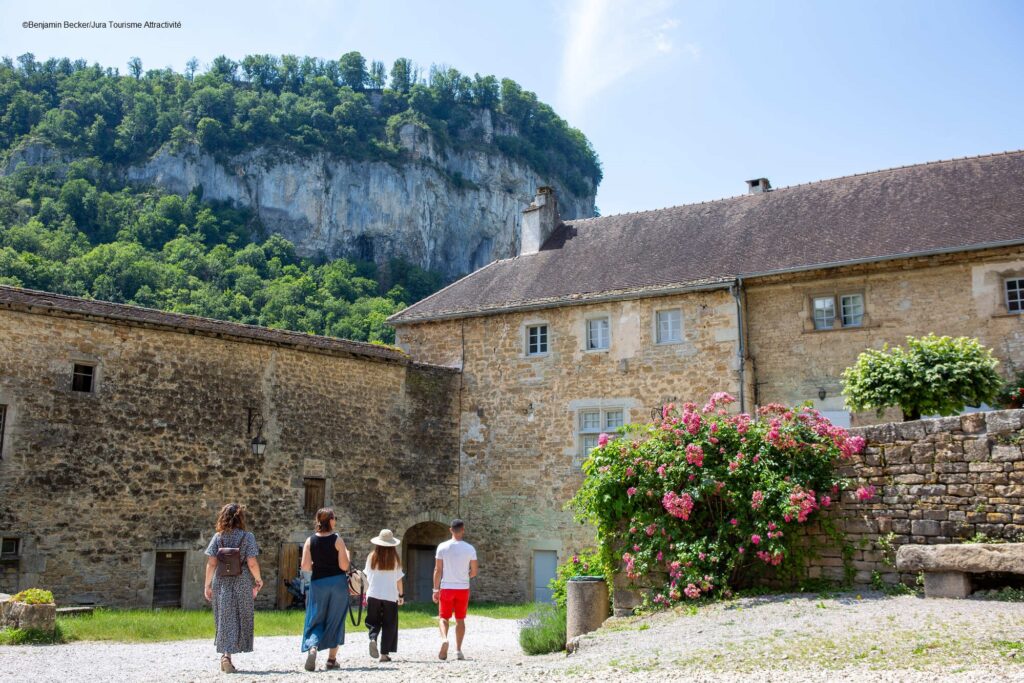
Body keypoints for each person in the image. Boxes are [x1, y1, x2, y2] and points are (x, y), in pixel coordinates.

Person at [204, 503, 263, 674]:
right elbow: (252, 562)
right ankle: (233, 650)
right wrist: (258, 580)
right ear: (240, 518)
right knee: (241, 616)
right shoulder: (248, 537)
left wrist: (207, 585)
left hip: (221, 581)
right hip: (242, 581)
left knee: (224, 617)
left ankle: (226, 655)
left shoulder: (218, 537)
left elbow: (212, 563)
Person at [300, 508, 351, 671]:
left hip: (318, 583)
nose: (335, 520)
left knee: (316, 617)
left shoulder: (310, 541)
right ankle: (331, 659)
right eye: (334, 518)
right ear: (330, 521)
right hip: (337, 583)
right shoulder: (337, 540)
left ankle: (313, 647)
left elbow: (305, 567)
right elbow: (344, 566)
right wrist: (347, 556)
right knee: (335, 619)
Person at [432, 518, 478, 661]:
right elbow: (474, 572)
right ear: (463, 530)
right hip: (463, 588)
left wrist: (435, 590)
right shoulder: (470, 548)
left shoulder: (442, 547)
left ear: (451, 530)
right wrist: (466, 576)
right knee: (460, 619)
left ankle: (444, 639)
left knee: (443, 617)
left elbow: (437, 570)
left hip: (446, 588)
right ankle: (458, 651)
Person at [364, 529, 405, 663]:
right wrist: (401, 594)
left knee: (373, 621)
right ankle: (384, 654)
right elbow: (399, 579)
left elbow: (367, 576)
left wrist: (366, 593)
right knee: (389, 624)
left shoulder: (371, 556)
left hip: (373, 593)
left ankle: (372, 639)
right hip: (390, 595)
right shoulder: (395, 559)